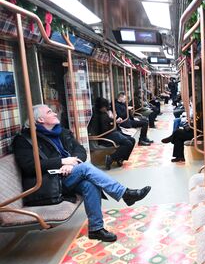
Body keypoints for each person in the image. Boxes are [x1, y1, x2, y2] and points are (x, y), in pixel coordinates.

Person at [13, 104, 151, 242]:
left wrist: (72, 163)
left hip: (68, 175)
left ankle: (96, 229)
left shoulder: (62, 132)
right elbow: (28, 166)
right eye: (50, 112)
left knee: (89, 184)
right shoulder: (24, 140)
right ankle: (125, 193)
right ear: (41, 120)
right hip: (49, 182)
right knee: (85, 168)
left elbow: (80, 151)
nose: (55, 114)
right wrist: (62, 162)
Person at [89, 97, 135, 170]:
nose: (106, 109)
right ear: (102, 107)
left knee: (132, 140)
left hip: (110, 134)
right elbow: (104, 129)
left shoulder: (102, 114)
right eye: (105, 107)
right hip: (105, 137)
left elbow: (109, 122)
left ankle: (119, 158)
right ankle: (112, 158)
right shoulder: (99, 116)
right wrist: (113, 123)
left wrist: (114, 121)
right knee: (128, 143)